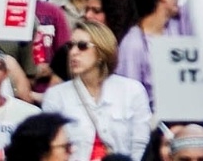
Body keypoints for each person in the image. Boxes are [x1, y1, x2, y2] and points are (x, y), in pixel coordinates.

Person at [37, 22, 150, 159]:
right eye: (70, 46)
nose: (73, 52)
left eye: (82, 46)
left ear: (101, 52)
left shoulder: (133, 91)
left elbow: (141, 147)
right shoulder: (55, 96)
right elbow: (50, 151)